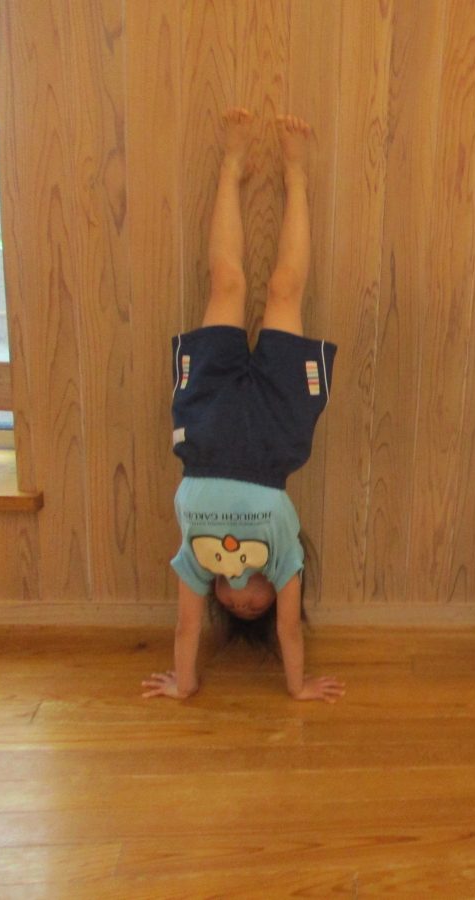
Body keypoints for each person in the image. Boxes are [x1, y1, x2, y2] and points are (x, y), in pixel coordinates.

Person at [143, 108, 343, 703]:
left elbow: (185, 628)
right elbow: (289, 631)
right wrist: (297, 687)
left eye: (234, 608)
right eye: (256, 606)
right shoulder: (284, 559)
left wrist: (184, 683)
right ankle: (296, 174)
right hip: (273, 437)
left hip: (207, 428)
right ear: (279, 595)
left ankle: (231, 165)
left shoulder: (195, 564)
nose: (241, 600)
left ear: (217, 599)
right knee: (284, 290)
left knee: (226, 284)